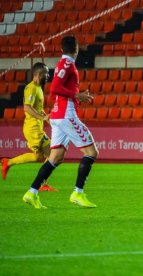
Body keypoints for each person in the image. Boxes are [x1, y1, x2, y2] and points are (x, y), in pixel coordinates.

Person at [22, 35, 98, 209]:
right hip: (65, 114)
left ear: (62, 49)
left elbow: (54, 92)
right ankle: (78, 193)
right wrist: (76, 95)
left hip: (58, 114)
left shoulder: (61, 64)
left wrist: (75, 98)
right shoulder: (68, 64)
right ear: (76, 49)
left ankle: (31, 192)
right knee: (92, 152)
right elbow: (55, 88)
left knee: (55, 157)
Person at [1, 62, 57, 192]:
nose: (48, 76)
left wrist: (46, 118)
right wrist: (42, 117)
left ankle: (7, 162)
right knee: (52, 154)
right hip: (33, 129)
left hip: (36, 127)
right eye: (46, 73)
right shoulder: (31, 88)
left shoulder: (39, 88)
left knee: (39, 157)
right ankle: (42, 184)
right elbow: (27, 107)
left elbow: (38, 108)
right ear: (38, 74)